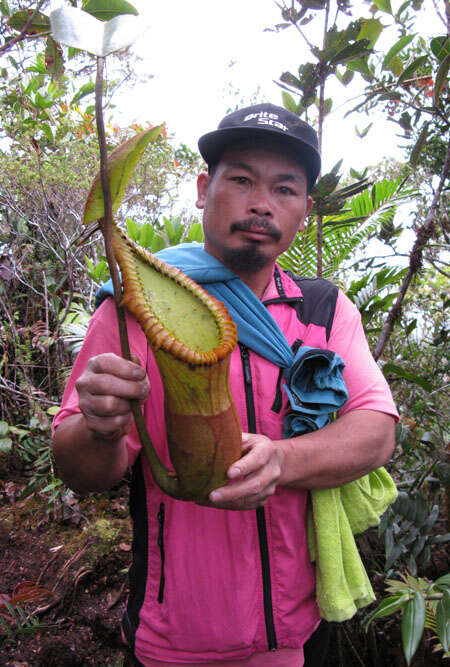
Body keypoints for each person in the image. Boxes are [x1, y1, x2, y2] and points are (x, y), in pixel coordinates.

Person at [52, 104, 398, 667]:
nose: (261, 203)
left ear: (305, 211)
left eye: (284, 189)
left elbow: (376, 432)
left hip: (296, 629)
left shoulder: (324, 310)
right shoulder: (131, 312)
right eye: (240, 180)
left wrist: (282, 460)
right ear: (202, 188)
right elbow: (82, 472)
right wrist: (100, 427)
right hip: (175, 635)